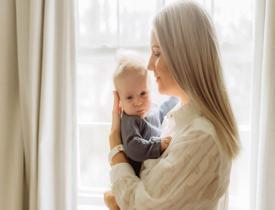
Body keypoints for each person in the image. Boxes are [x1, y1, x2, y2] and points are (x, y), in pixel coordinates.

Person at [105, 1, 240, 209]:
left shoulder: (201, 137)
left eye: (157, 53)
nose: (149, 65)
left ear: (183, 57)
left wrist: (115, 144)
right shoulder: (175, 119)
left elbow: (139, 204)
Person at [112, 55, 178, 176]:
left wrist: (176, 97)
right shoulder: (130, 121)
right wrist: (157, 146)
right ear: (119, 100)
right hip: (137, 177)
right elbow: (133, 147)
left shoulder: (152, 109)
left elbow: (163, 113)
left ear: (150, 89)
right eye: (129, 97)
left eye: (143, 93)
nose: (138, 102)